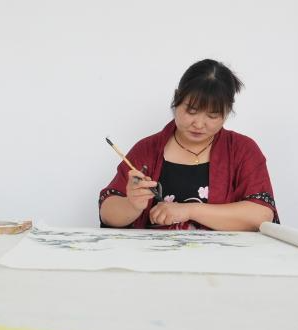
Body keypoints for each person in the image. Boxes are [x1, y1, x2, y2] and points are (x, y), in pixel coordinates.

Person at [99, 59, 277, 231]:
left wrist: (189, 210)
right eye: (191, 111)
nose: (198, 124)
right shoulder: (147, 149)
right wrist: (132, 204)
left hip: (221, 253)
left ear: (227, 110)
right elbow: (107, 213)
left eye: (212, 116)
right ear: (177, 98)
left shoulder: (242, 150)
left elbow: (261, 215)